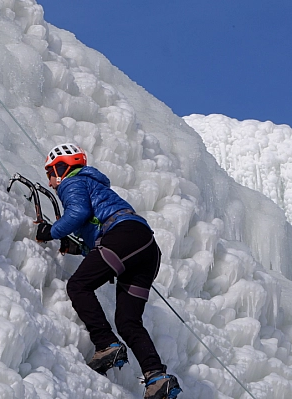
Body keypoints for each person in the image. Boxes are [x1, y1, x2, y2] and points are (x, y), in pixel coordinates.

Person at [35, 143, 181, 399]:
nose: (50, 182)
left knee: (78, 285)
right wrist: (77, 248)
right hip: (145, 249)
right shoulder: (95, 187)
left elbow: (78, 213)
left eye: (50, 173)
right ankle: (157, 377)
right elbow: (98, 238)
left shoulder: (73, 181)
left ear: (61, 167)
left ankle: (106, 345)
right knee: (128, 322)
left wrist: (49, 232)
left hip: (125, 236)